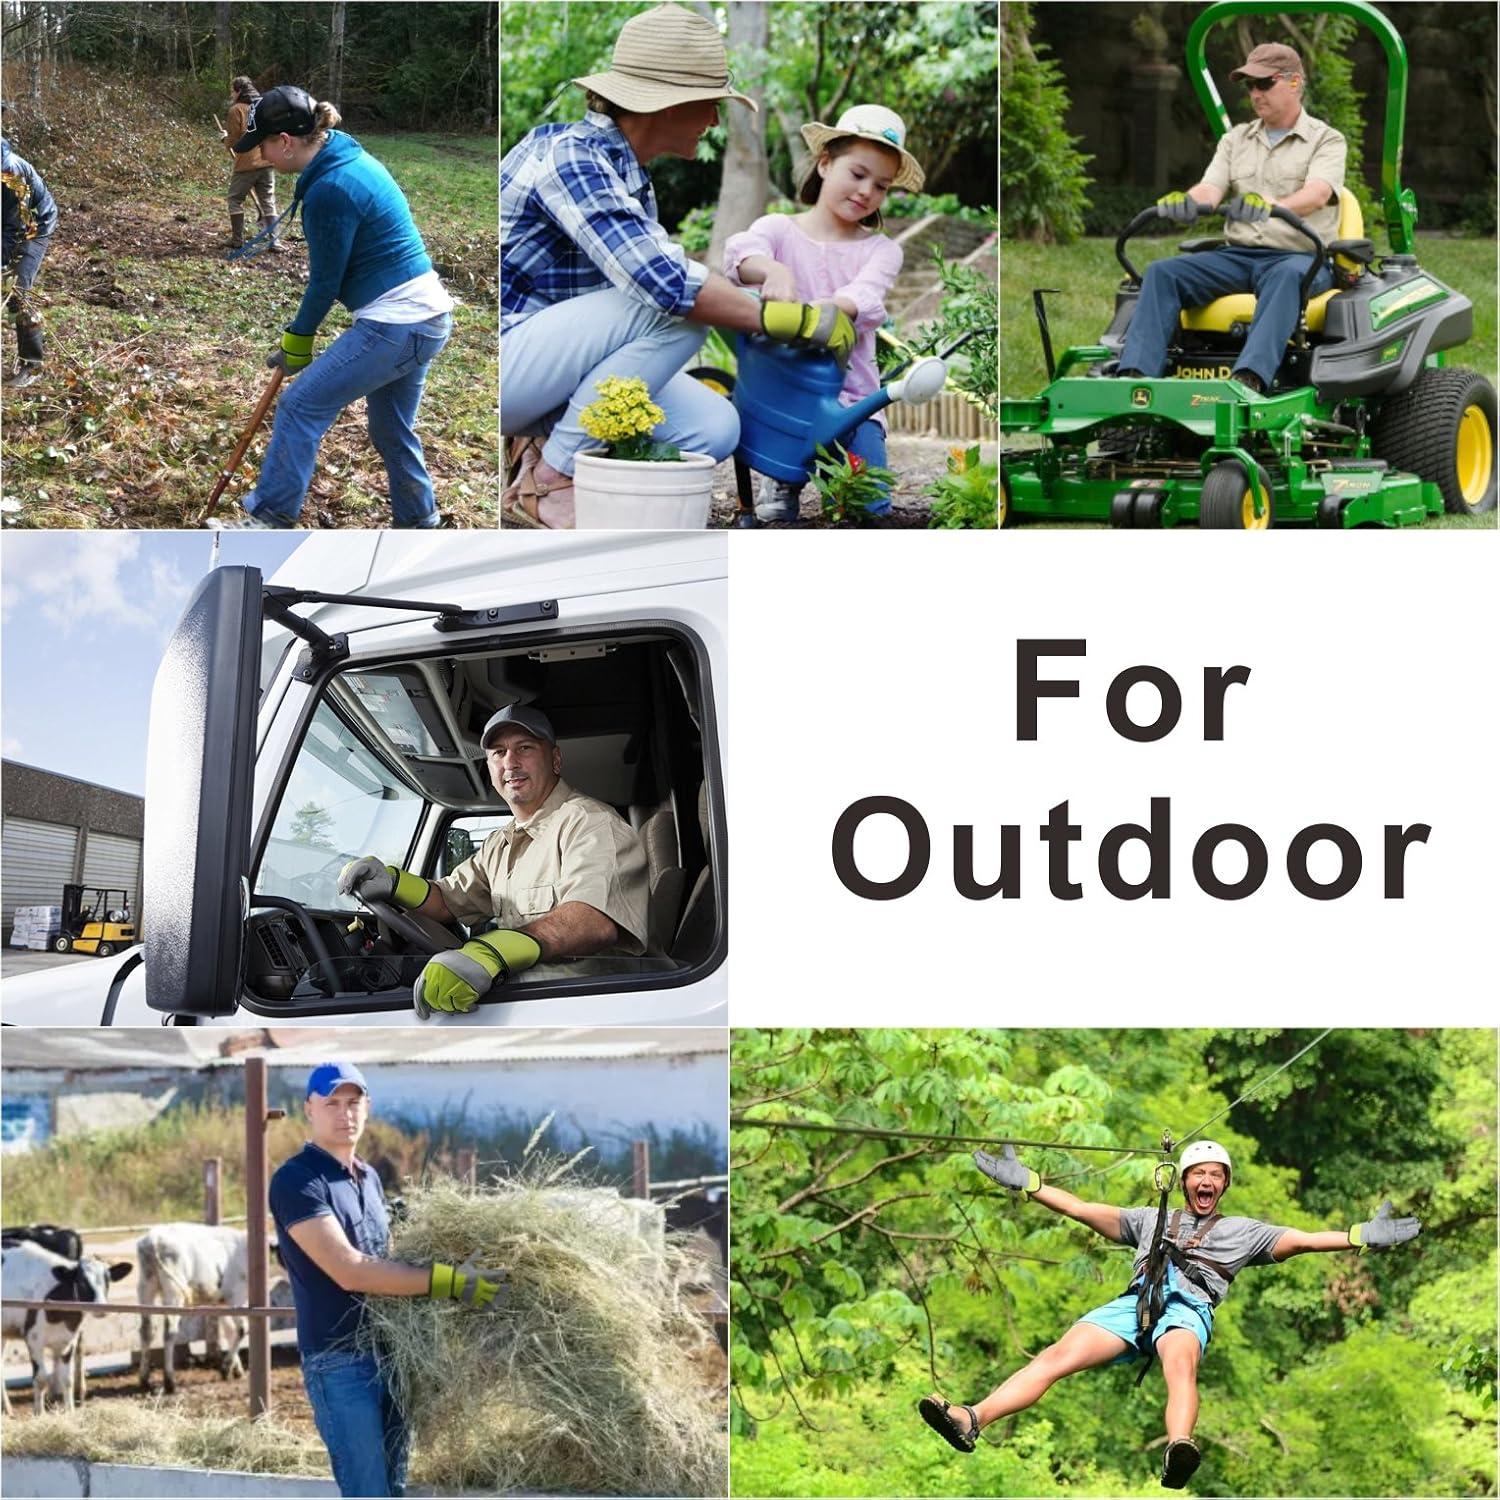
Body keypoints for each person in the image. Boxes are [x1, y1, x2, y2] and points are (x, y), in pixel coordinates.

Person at [500, 1, 858, 528]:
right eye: (709, 104)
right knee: (683, 309)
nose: (714, 120)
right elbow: (667, 285)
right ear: (669, 105)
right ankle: (549, 483)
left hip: (550, 370)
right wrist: (792, 319)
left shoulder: (628, 174)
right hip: (506, 368)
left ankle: (548, 445)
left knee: (714, 427)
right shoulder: (573, 158)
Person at [918, 1139, 1422, 1490]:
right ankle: (971, 1418)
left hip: (1187, 1309)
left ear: (1224, 1186)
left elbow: (1306, 1240)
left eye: (1215, 1176)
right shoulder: (1148, 1219)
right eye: (1199, 1174)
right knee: (1055, 1356)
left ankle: (1180, 1446)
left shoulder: (1246, 1231)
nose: (1206, 1181)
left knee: (1179, 1363)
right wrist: (1028, 1183)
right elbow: (1077, 1207)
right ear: (1184, 1183)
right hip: (1135, 1306)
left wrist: (1359, 1236)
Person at [208, 85, 454, 530]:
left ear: (285, 142)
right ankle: (420, 524)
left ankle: (269, 518)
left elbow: (325, 281)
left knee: (301, 406)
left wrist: (298, 340)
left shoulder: (332, 189)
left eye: (262, 143)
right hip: (428, 317)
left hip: (398, 323)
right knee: (391, 429)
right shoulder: (343, 156)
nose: (259, 153)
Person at [271, 1062, 506, 1497]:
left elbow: (387, 1255)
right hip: (339, 1361)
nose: (345, 1114)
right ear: (310, 1109)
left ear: (367, 1107)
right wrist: (449, 1281)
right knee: (368, 1491)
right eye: (332, 1103)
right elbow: (349, 1269)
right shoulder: (297, 1180)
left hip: (391, 1353)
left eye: (354, 1102)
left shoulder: (369, 1177)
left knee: (394, 1487)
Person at [338, 704, 650, 1016]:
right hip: (528, 1005)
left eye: (524, 748)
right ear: (489, 767)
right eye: (498, 753)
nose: (510, 762)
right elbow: (448, 901)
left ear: (555, 760)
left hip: (589, 1011)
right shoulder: (500, 843)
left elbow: (593, 922)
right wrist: (393, 883)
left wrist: (492, 952)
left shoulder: (590, 822)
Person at [724, 104, 923, 522]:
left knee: (870, 507)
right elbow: (740, 257)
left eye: (881, 185)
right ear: (825, 163)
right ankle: (782, 478)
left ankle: (837, 476)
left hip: (851, 399)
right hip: (781, 389)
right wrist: (773, 269)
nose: (867, 190)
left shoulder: (882, 250)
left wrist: (823, 310)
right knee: (779, 503)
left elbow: (865, 298)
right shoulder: (778, 229)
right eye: (857, 174)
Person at [1116, 42, 1345, 394]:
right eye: (1250, 85)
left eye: (1265, 84)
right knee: (1162, 273)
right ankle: (1134, 380)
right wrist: (1187, 202)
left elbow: (1317, 194)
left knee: (1285, 278)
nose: (1256, 93)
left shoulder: (1326, 140)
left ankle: (1247, 380)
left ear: (1295, 83)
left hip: (1299, 259)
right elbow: (1210, 189)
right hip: (1238, 256)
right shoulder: (1235, 139)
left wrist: (1273, 203)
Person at [2, 133, 58, 389]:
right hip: (8, 223)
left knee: (18, 292)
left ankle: (32, 364)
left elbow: (14, 229)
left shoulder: (11, 174)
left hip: (35, 226)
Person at [220, 76, 281, 253]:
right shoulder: (264, 107)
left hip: (247, 163)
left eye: (232, 90)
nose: (231, 94)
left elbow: (233, 140)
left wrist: (225, 139)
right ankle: (275, 241)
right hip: (267, 160)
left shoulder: (236, 110)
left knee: (234, 199)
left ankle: (237, 240)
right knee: (268, 201)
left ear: (239, 91)